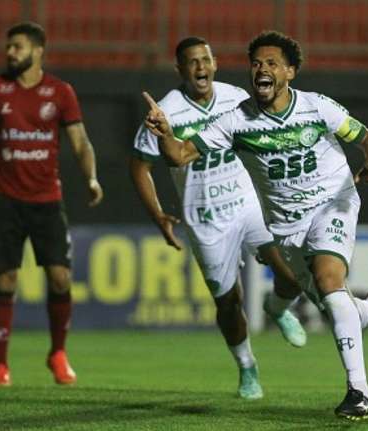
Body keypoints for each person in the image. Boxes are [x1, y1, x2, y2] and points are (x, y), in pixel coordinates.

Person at [143, 31, 368, 420]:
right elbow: (180, 156)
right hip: (286, 228)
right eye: (256, 63)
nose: (261, 69)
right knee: (336, 307)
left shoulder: (318, 108)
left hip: (333, 203)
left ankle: (359, 392)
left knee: (331, 282)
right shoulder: (236, 121)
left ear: (290, 72)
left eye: (271, 63)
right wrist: (166, 134)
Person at [131, 37, 307, 400]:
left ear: (214, 65)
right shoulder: (166, 111)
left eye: (205, 60)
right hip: (206, 216)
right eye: (191, 62)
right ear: (180, 69)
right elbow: (139, 166)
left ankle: (276, 308)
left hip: (249, 202)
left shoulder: (235, 97)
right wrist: (158, 214)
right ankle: (247, 368)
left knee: (293, 277)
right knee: (228, 302)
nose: (200, 67)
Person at [0, 22, 103, 386]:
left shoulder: (60, 92)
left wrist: (91, 177)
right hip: (4, 199)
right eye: (8, 48)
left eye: (17, 46)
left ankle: (58, 353)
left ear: (38, 50)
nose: (10, 53)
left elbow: (80, 142)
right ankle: (1, 364)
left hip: (47, 199)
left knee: (60, 278)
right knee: (6, 279)